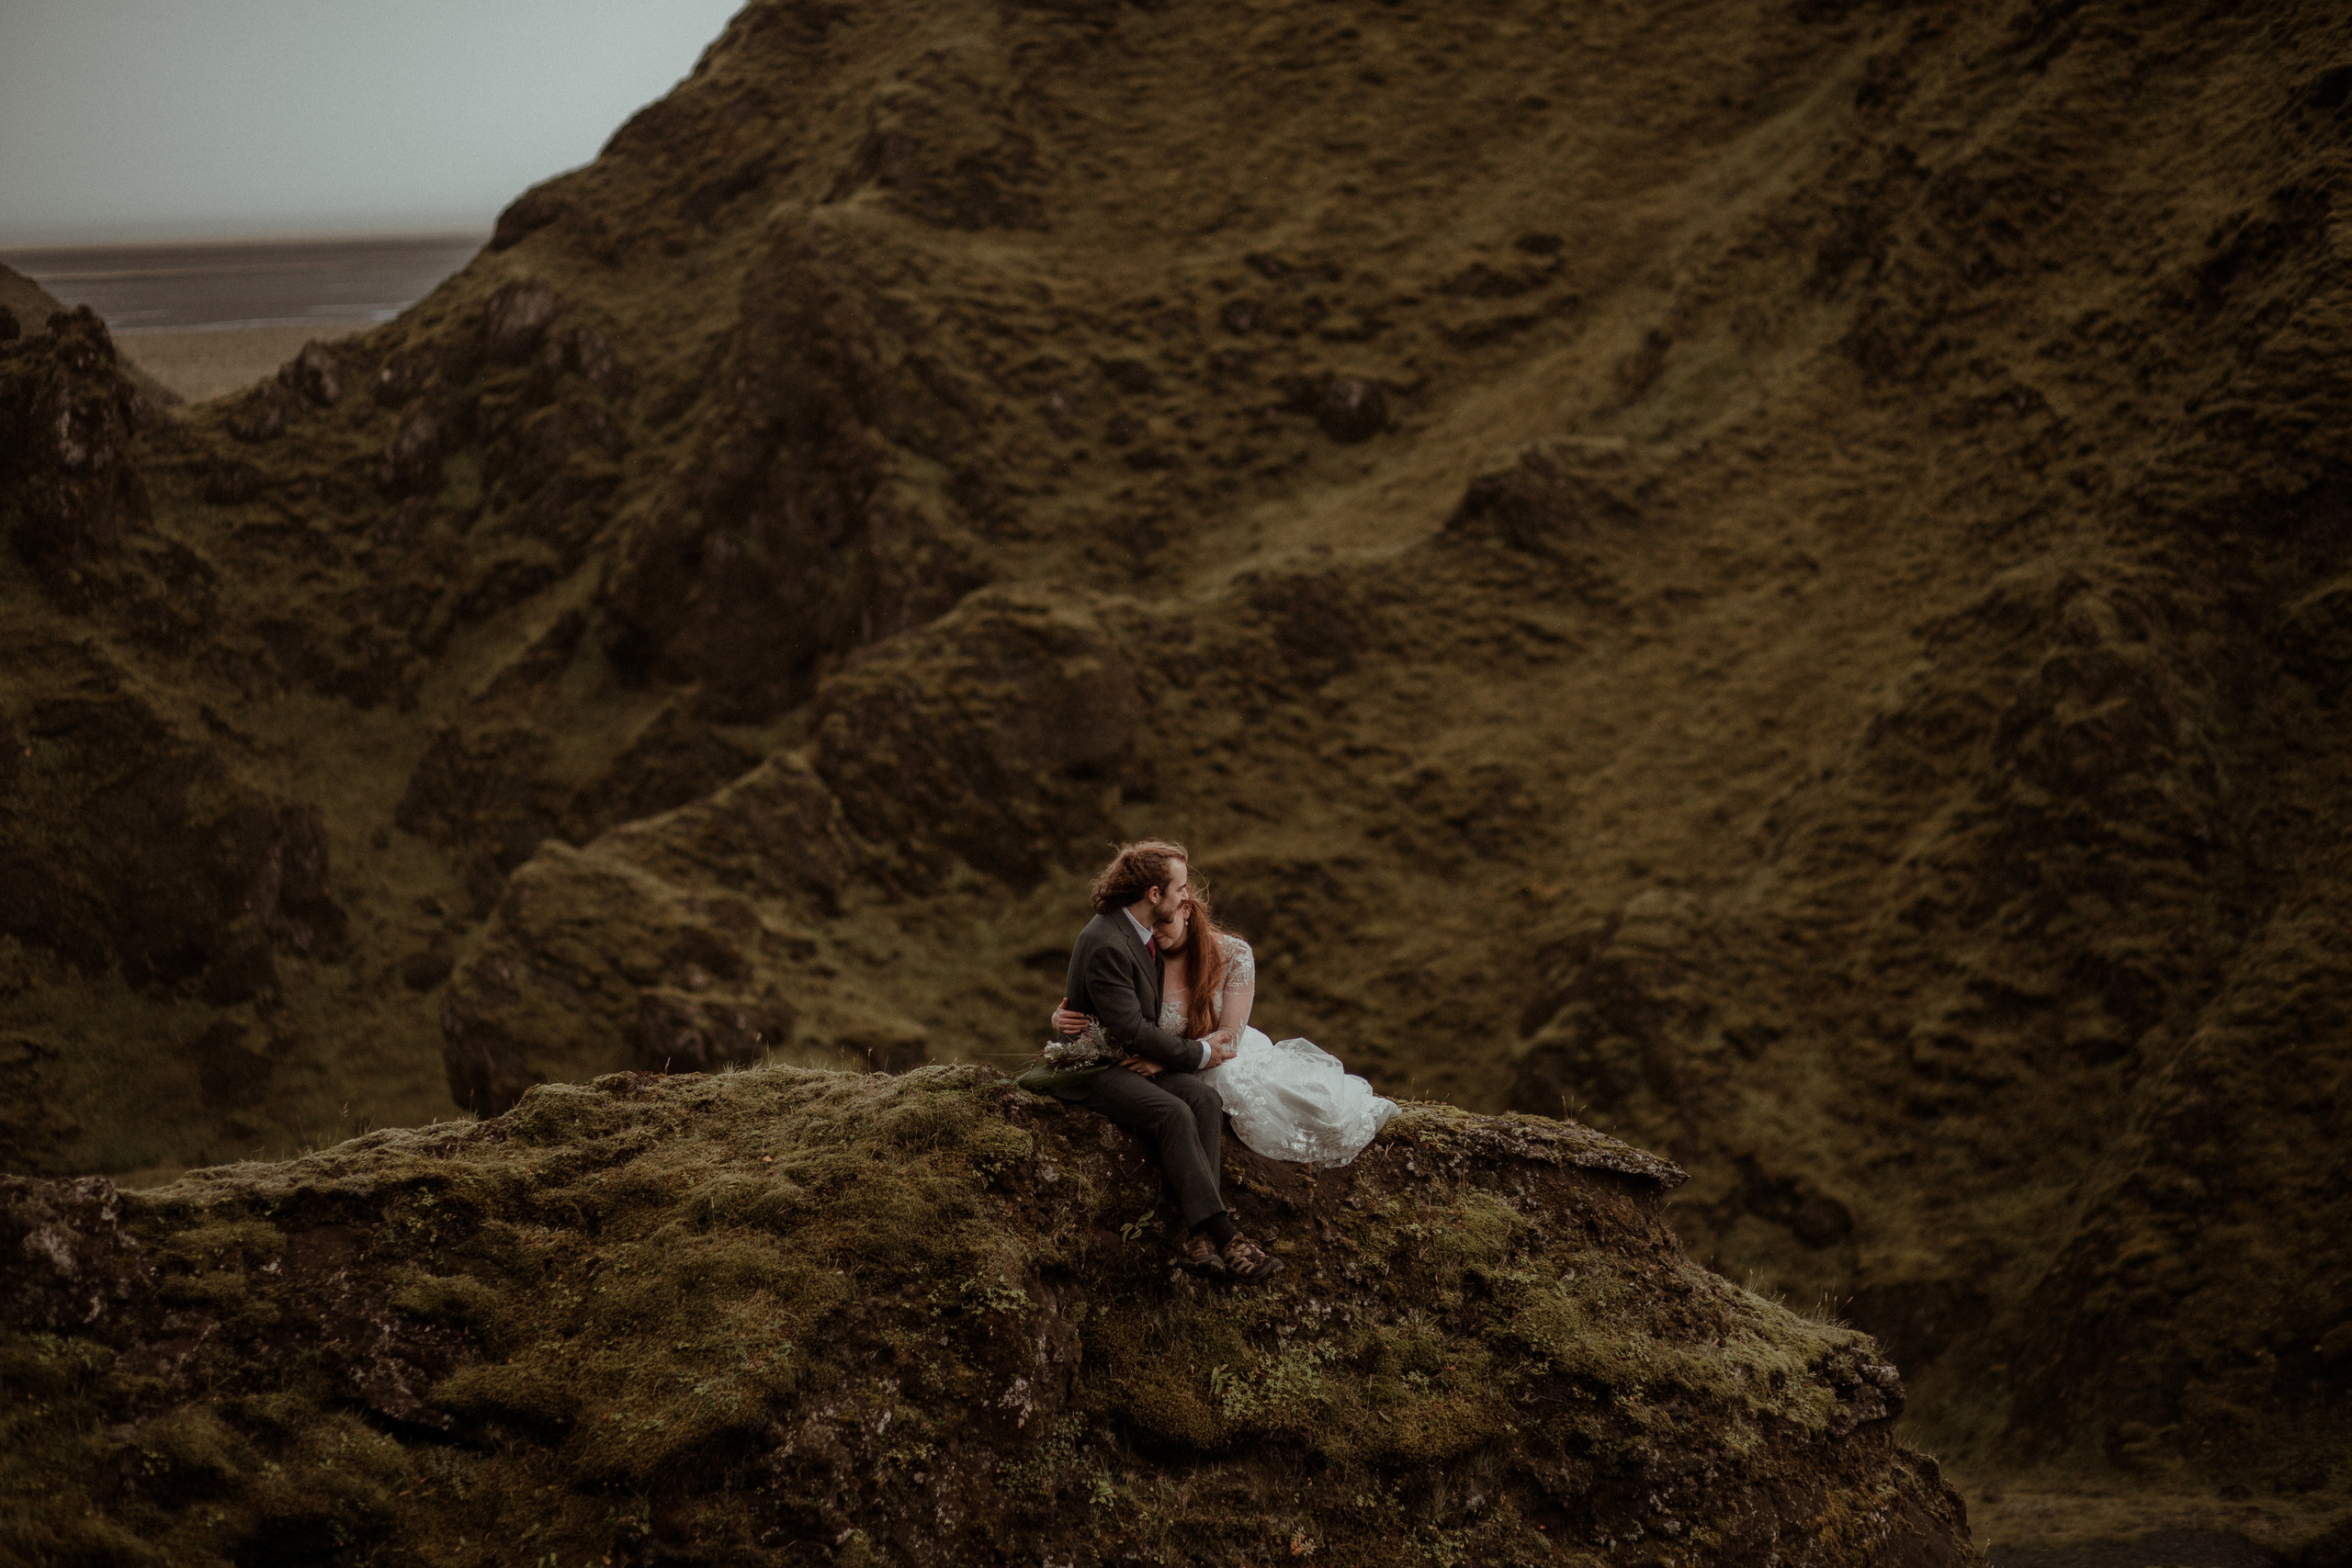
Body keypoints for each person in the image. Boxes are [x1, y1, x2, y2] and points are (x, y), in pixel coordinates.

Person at [1043, 840, 1283, 1282]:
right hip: (1092, 1070)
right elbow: (1133, 1029)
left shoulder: (1142, 932)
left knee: (1204, 1102)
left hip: (1125, 1060)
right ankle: (1224, 1234)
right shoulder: (1107, 941)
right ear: (1154, 894)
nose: (1186, 895)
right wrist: (1202, 1052)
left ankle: (1198, 1243)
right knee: (1173, 1113)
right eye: (1180, 887)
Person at [1056, 882, 1397, 1170]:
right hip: (1170, 1057)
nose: (1155, 933)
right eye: (1152, 925)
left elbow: (1230, 1036)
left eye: (1165, 923)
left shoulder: (1234, 953)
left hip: (1218, 1053)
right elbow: (1117, 1007)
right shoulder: (1142, 955)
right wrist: (1062, 1018)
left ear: (1186, 910)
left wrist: (1167, 1060)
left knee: (1259, 1087)